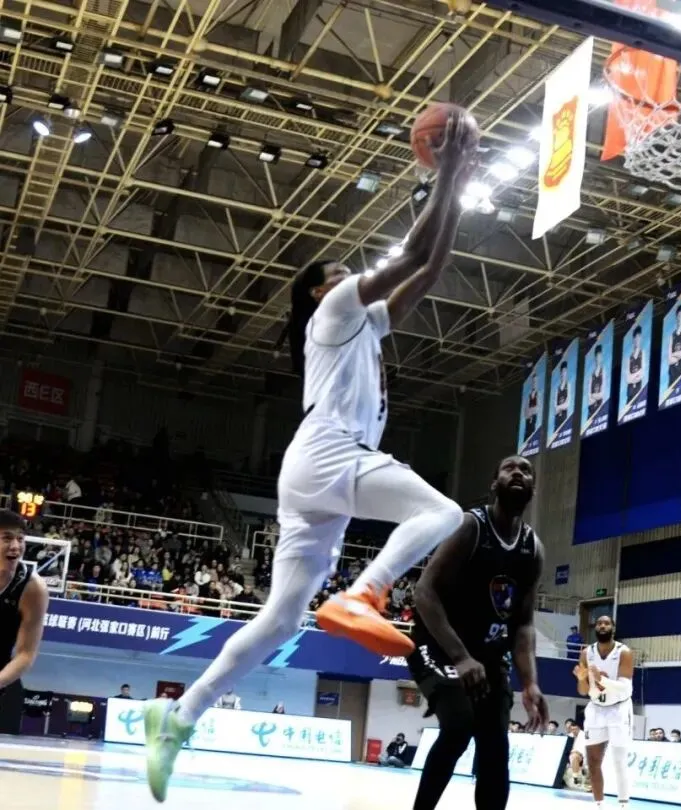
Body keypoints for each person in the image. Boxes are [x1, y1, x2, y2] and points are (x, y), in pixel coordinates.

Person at [140, 110, 480, 804]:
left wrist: (456, 179)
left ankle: (177, 718)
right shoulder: (333, 313)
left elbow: (432, 265)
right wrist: (447, 169)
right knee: (444, 513)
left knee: (278, 620)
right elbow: (413, 255)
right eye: (341, 273)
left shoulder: (365, 326)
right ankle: (365, 592)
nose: (354, 276)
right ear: (321, 291)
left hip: (312, 471)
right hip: (329, 453)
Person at [408, 455, 548, 810]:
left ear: (533, 489)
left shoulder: (532, 549)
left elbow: (524, 624)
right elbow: (423, 592)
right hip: (438, 646)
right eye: (509, 468)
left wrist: (530, 682)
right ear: (494, 484)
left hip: (487, 656)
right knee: (459, 726)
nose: (518, 472)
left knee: (496, 749)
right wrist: (460, 657)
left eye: (526, 470)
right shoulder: (471, 526)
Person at [574, 616, 633, 809]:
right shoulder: (586, 653)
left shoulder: (624, 652)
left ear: (613, 628)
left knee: (619, 761)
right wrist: (581, 679)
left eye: (606, 623)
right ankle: (599, 805)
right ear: (595, 628)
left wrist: (602, 680)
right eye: (599, 623)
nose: (602, 626)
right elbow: (582, 691)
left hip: (619, 708)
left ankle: (623, 806)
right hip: (596, 708)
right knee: (592, 761)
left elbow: (624, 688)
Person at [0, 510, 49, 722]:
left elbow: (26, 654)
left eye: (20, 539)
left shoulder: (33, 588)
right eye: (7, 538)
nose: (15, 546)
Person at [667, 304, 681, 387]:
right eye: (678, 315)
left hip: (680, 373)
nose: (680, 318)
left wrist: (673, 354)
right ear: (676, 317)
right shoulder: (672, 335)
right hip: (671, 375)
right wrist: (678, 355)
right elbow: (669, 360)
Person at [624, 327, 645, 406]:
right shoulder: (629, 357)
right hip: (629, 396)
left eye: (639, 337)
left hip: (639, 395)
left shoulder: (642, 353)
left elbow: (642, 374)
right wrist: (637, 374)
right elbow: (627, 379)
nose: (637, 339)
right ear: (633, 339)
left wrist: (632, 376)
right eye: (636, 337)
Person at [586, 346, 605, 420]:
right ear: (595, 357)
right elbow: (589, 396)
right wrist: (595, 397)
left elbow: (602, 394)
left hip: (600, 408)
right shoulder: (591, 375)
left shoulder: (603, 372)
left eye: (600, 356)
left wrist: (593, 395)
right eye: (597, 356)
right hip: (591, 410)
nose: (599, 358)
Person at [554, 362, 570, 431]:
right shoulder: (557, 389)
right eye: (563, 371)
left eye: (565, 371)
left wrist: (558, 407)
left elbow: (567, 404)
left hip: (565, 420)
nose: (564, 373)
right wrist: (561, 407)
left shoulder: (568, 385)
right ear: (560, 373)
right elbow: (555, 409)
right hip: (557, 421)